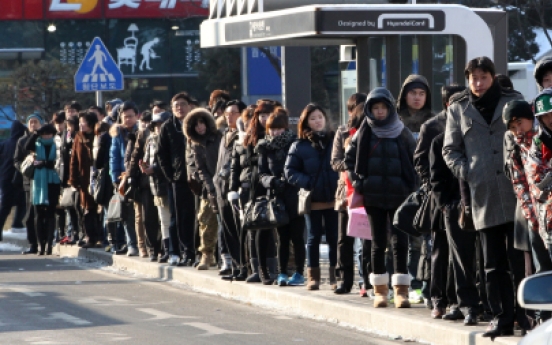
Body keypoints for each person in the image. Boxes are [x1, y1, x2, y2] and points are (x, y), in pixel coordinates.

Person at [442, 56, 523, 339]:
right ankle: (501, 317)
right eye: (473, 78)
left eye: (483, 77)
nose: (478, 83)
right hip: (483, 194)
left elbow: (526, 136)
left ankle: (524, 315)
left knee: (519, 260)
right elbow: (449, 150)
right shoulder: (458, 108)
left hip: (516, 193)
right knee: (492, 264)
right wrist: (469, 171)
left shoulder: (513, 100)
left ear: (492, 76)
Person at [345, 87, 417, 308]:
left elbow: (415, 160)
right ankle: (380, 291)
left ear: (390, 108)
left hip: (400, 195)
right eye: (375, 108)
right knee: (377, 243)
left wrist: (410, 186)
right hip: (373, 196)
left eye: (383, 107)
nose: (379, 112)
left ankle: (401, 291)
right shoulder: (364, 132)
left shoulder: (401, 131)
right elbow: (349, 161)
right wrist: (360, 183)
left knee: (400, 241)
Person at [414, 84, 465, 316]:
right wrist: (434, 190)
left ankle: (457, 299)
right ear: (447, 104)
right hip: (440, 197)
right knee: (439, 250)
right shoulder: (432, 127)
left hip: (464, 196)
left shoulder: (469, 122)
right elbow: (421, 161)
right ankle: (437, 298)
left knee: (462, 253)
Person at [503, 100, 550, 330]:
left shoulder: (545, 138)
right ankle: (544, 321)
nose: (517, 130)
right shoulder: (516, 148)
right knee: (542, 272)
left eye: (519, 123)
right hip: (537, 219)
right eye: (512, 128)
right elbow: (519, 183)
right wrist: (532, 217)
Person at [285, 103, 339, 291]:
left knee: (334, 237)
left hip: (333, 197)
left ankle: (334, 277)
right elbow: (289, 171)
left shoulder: (335, 140)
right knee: (313, 237)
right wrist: (308, 182)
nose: (317, 121)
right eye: (313, 118)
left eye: (320, 117)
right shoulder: (299, 145)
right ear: (306, 122)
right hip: (312, 199)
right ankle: (313, 277)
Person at [396, 74, 434, 302]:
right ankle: (405, 283)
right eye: (413, 93)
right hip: (400, 186)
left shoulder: (434, 120)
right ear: (404, 95)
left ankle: (422, 285)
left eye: (421, 93)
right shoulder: (395, 120)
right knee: (402, 238)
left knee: (423, 239)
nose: (417, 98)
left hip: (425, 186)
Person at [258, 108, 306, 286]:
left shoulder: (295, 143)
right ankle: (282, 273)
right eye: (272, 129)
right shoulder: (264, 147)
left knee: (297, 237)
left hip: (294, 195)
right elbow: (261, 174)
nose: (275, 132)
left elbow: (301, 167)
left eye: (279, 128)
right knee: (282, 238)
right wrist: (271, 181)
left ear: (285, 128)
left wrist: (290, 178)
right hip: (276, 198)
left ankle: (300, 272)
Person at [331, 92, 367, 295]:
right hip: (346, 191)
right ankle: (344, 280)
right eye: (357, 108)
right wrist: (351, 163)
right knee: (344, 238)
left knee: (366, 238)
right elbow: (334, 161)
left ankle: (366, 280)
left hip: (368, 189)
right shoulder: (343, 131)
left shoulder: (374, 129)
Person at [157, 92, 196, 266]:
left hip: (196, 177)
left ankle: (193, 251)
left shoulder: (196, 123)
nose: (180, 108)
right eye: (176, 105)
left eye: (183, 104)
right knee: (177, 217)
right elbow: (161, 154)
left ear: (189, 106)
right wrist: (170, 176)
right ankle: (177, 251)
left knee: (195, 216)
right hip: (177, 178)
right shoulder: (167, 127)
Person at [183, 109, 221, 270]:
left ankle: (224, 256)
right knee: (205, 220)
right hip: (207, 186)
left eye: (202, 123)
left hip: (224, 183)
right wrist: (209, 185)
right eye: (196, 125)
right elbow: (199, 168)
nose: (199, 127)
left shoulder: (219, 137)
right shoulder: (195, 143)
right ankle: (206, 254)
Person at [213, 100, 247, 279]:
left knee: (238, 229)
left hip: (235, 188)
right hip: (221, 188)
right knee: (227, 228)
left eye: (234, 113)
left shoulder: (243, 136)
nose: (229, 116)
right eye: (227, 113)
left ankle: (244, 266)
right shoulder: (225, 133)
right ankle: (235, 265)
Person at [25, 124, 61, 255]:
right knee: (38, 214)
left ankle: (49, 244)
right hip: (38, 182)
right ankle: (41, 244)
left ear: (53, 134)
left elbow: (58, 161)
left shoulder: (56, 144)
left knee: (51, 214)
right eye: (43, 134)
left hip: (53, 181)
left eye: (49, 134)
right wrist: (35, 134)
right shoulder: (37, 143)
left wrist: (45, 163)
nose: (46, 136)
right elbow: (26, 147)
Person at [109, 101, 140, 256]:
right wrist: (115, 177)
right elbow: (113, 157)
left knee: (141, 213)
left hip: (139, 176)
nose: (128, 119)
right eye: (125, 117)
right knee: (126, 214)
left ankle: (142, 243)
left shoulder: (142, 131)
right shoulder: (118, 134)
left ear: (137, 116)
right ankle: (131, 244)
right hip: (123, 178)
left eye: (130, 116)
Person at [69, 112, 101, 248]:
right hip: (84, 179)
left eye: (84, 122)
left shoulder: (98, 135)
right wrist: (73, 179)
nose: (81, 124)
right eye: (80, 122)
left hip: (97, 177)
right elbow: (73, 160)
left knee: (98, 207)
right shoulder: (78, 137)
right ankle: (89, 237)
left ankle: (100, 237)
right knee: (87, 208)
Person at [14, 112, 43, 254]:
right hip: (29, 181)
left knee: (43, 213)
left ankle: (44, 242)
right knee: (30, 214)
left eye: (36, 121)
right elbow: (16, 161)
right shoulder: (22, 141)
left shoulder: (46, 138)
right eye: (31, 122)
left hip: (45, 180)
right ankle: (33, 243)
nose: (33, 124)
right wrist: (26, 165)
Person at [0, 120, 27, 237]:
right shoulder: (23, 143)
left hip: (5, 177)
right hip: (20, 178)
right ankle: (17, 224)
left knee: (5, 206)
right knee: (23, 202)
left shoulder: (4, 144)